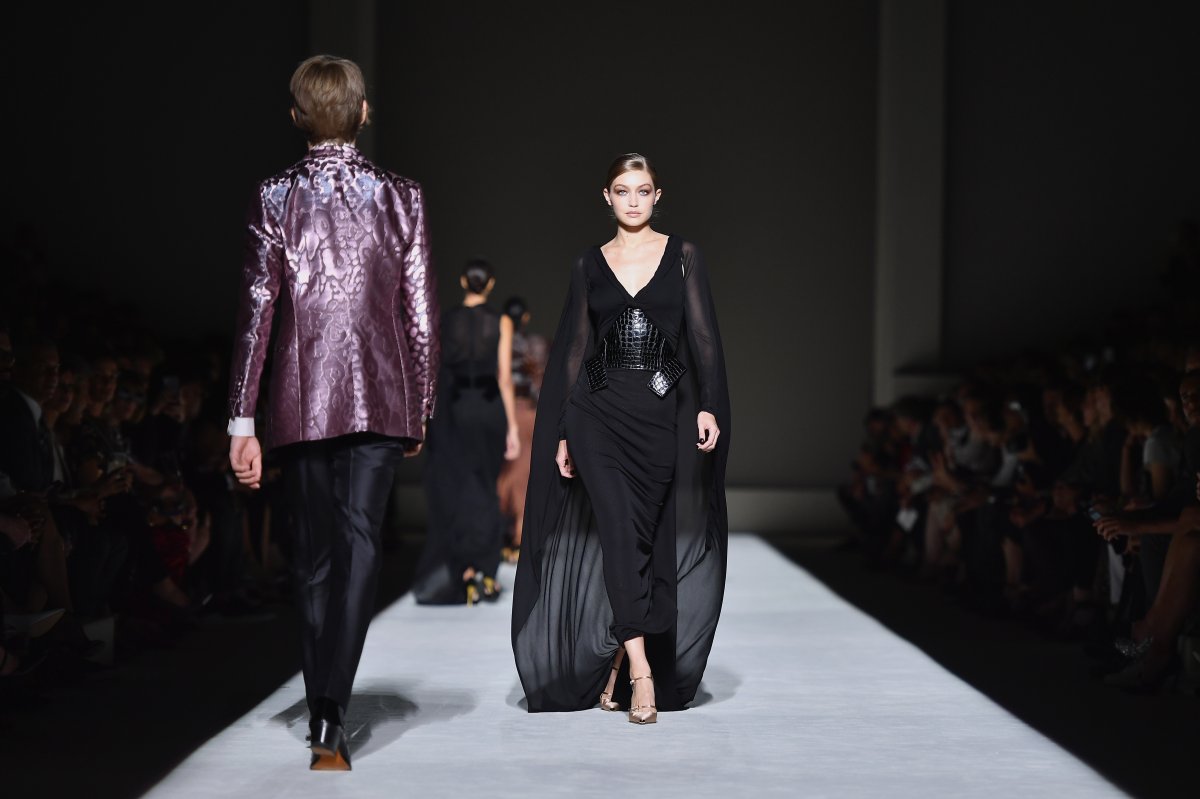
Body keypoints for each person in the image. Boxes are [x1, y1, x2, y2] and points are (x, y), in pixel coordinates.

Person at [226, 54, 438, 771]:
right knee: (360, 546)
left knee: (314, 558)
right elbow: (420, 315)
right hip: (380, 397)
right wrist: (420, 407)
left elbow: (257, 311)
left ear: (296, 117)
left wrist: (242, 420)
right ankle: (332, 713)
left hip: (300, 400)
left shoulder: (274, 196)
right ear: (364, 112)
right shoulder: (402, 196)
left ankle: (323, 705)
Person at [511, 153, 731, 724]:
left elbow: (703, 337)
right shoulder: (589, 263)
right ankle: (640, 671)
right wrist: (563, 431)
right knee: (615, 531)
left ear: (658, 196)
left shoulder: (683, 256)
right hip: (596, 416)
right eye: (622, 190)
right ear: (606, 198)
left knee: (645, 544)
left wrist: (709, 405)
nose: (633, 200)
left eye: (643, 190)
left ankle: (616, 660)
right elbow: (574, 351)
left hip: (659, 419)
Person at [413, 260, 519, 605]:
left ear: (462, 281)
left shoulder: (447, 320)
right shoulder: (501, 320)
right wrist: (512, 427)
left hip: (454, 409)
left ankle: (464, 570)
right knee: (486, 487)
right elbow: (504, 377)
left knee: (458, 488)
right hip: (488, 410)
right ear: (490, 284)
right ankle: (486, 571)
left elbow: (435, 369)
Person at [497, 296, 547, 562]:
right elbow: (542, 381)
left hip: (500, 412)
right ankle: (517, 537)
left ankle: (508, 536)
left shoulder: (496, 344)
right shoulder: (535, 344)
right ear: (526, 317)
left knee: (504, 475)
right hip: (528, 413)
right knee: (523, 476)